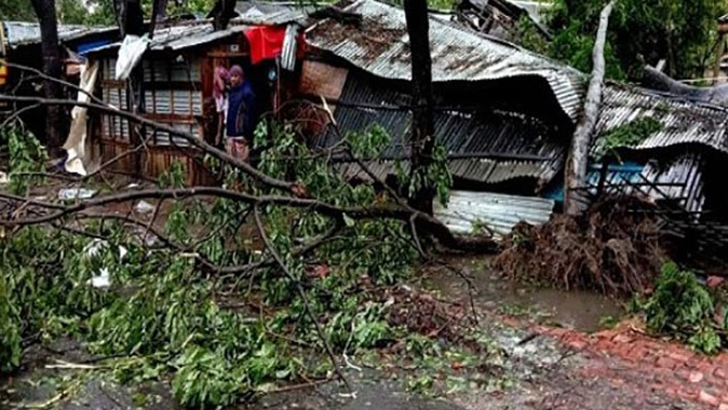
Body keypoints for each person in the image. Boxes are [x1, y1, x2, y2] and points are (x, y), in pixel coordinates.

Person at [226, 65, 257, 161]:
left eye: (235, 76)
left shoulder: (247, 93)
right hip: (231, 134)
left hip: (241, 136)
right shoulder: (232, 92)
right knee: (231, 165)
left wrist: (247, 135)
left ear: (241, 77)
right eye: (231, 76)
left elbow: (250, 116)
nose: (233, 79)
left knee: (242, 165)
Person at [213, 66, 229, 147]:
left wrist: (217, 76)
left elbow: (222, 87)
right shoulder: (217, 94)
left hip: (225, 101)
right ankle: (222, 140)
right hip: (222, 100)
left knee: (226, 120)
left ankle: (225, 140)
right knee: (222, 118)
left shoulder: (222, 92)